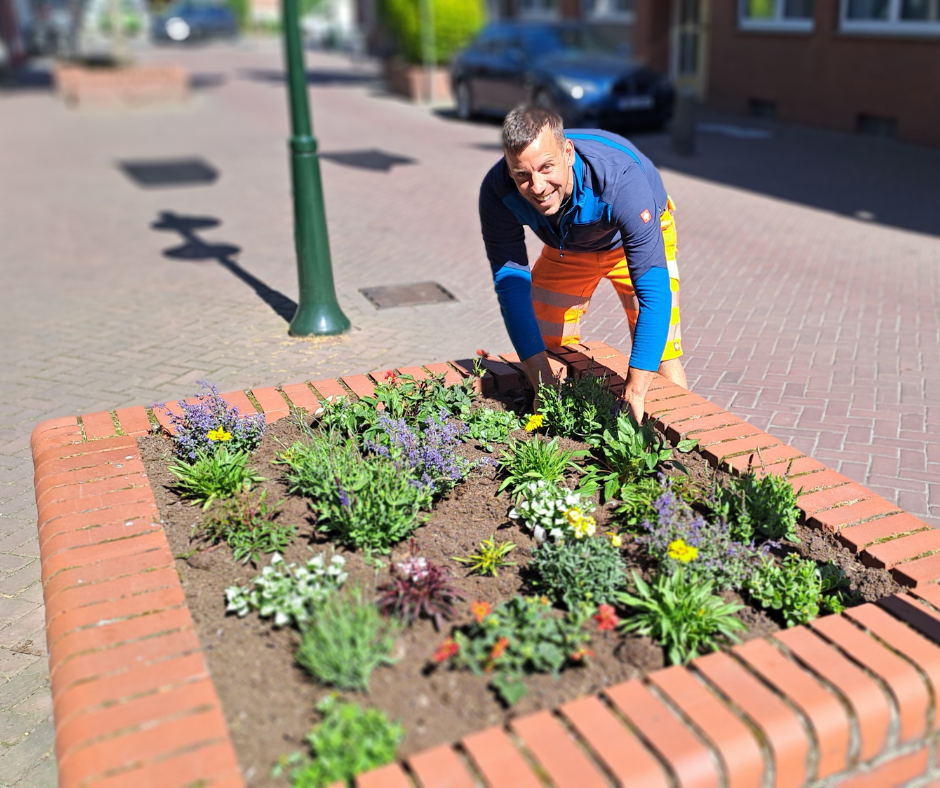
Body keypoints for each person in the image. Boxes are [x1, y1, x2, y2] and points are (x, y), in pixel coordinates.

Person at [478, 104, 688, 423]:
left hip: (630, 240)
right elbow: (511, 290)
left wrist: (634, 393)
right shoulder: (497, 193)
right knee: (548, 343)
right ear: (509, 169)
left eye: (547, 167)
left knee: (661, 348)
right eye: (522, 174)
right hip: (569, 248)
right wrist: (541, 385)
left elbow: (655, 295)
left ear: (568, 153)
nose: (537, 187)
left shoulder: (621, 181)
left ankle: (685, 429)